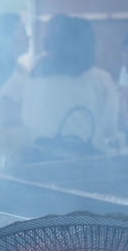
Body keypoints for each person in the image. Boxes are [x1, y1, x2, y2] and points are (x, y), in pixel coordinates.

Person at [21, 15, 119, 156]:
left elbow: (27, 121)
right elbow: (110, 129)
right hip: (88, 163)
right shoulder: (100, 78)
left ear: (54, 43)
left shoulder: (36, 76)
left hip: (41, 160)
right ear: (90, 44)